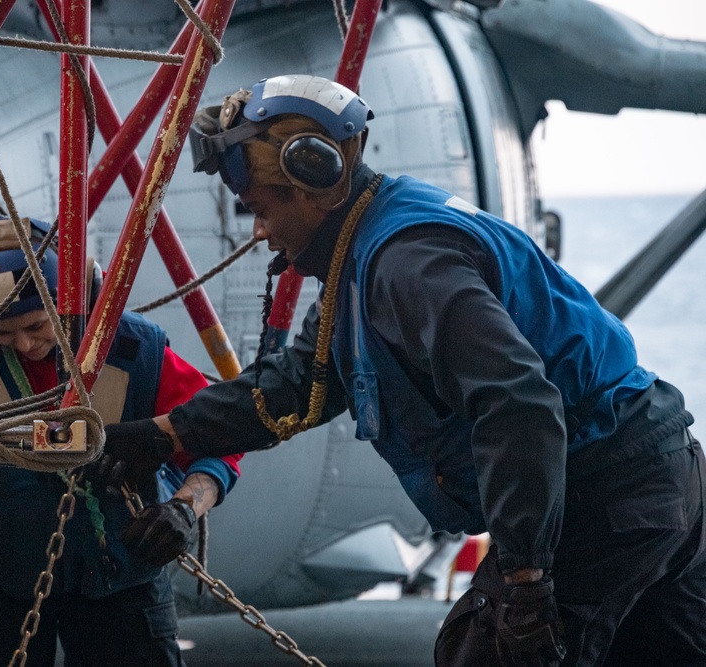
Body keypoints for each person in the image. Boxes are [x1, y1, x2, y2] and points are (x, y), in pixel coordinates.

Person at [99, 74, 706, 667]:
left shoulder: (405, 264)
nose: (258, 231)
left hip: (607, 494)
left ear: (313, 180)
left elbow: (517, 402)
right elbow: (293, 384)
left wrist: (525, 578)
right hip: (656, 476)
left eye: (259, 208)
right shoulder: (364, 256)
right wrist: (167, 435)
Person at [0, 216, 242, 667]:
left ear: (76, 301)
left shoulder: (134, 351)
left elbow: (219, 438)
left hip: (119, 579)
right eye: (1, 334)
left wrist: (182, 510)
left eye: (38, 327)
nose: (23, 345)